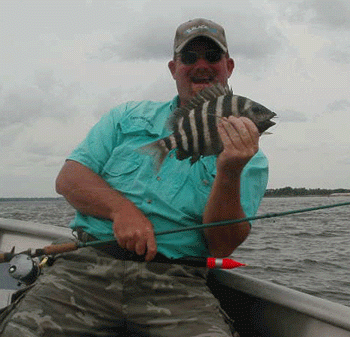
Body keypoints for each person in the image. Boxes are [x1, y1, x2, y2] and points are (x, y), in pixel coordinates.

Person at [0, 18, 268, 336]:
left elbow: (222, 247)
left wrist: (229, 170)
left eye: (212, 57)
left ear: (229, 66)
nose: (201, 65)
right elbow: (69, 178)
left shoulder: (251, 158)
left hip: (176, 282)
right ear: (173, 67)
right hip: (86, 269)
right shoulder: (127, 117)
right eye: (189, 57)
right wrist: (121, 211)